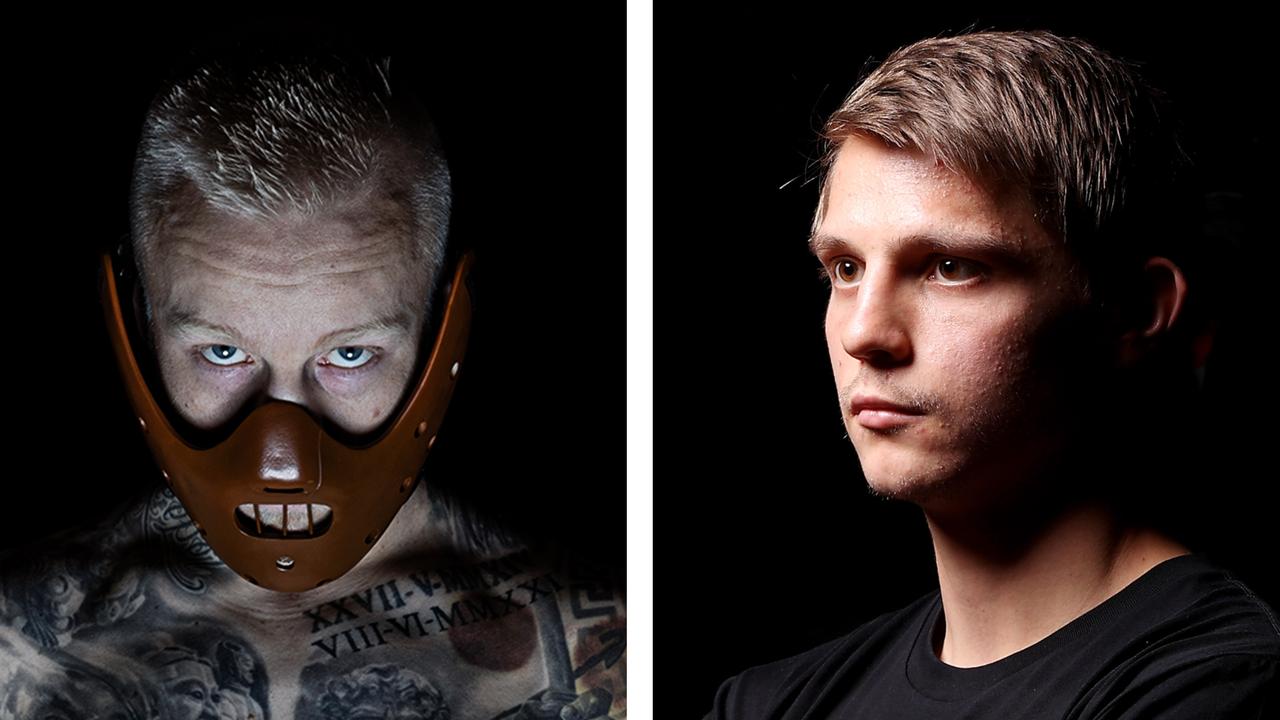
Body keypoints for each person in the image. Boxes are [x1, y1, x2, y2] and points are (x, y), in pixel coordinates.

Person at [0, 47, 625, 719]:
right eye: (220, 351)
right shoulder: (19, 640)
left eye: (350, 355)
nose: (281, 456)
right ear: (138, 318)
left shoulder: (610, 650)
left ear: (444, 325)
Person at [704, 29, 1277, 719]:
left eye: (951, 268)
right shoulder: (769, 704)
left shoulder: (1211, 683)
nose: (865, 335)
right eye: (846, 269)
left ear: (1135, 313)